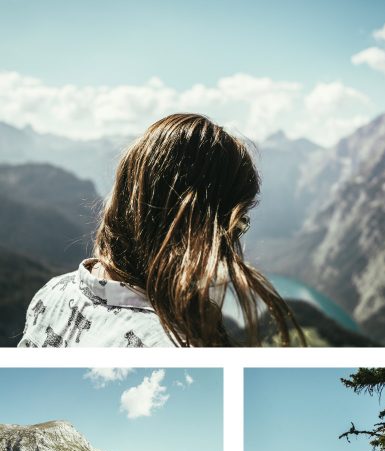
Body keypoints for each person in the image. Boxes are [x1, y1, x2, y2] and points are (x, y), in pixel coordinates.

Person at [18, 113, 302, 348]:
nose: (234, 240)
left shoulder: (52, 292)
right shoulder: (174, 345)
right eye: (237, 225)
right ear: (198, 228)